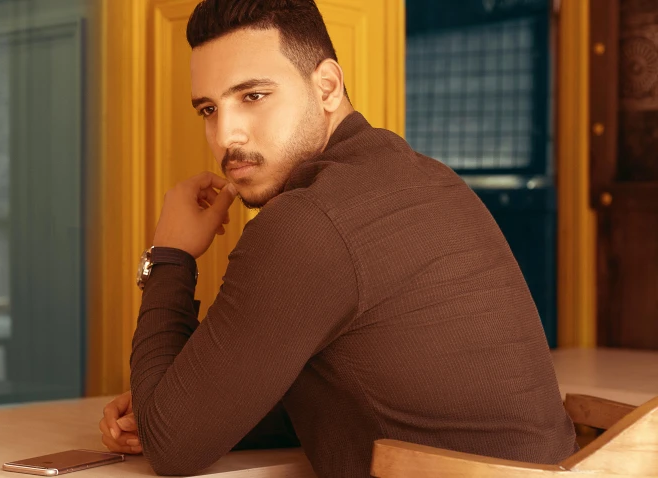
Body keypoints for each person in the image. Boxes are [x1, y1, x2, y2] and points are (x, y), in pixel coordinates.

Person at [98, 1, 577, 476]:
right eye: (208, 108)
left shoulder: (309, 221)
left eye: (253, 96)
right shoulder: (426, 178)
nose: (226, 135)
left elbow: (171, 448)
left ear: (326, 86)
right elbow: (377, 392)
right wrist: (186, 402)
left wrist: (171, 254)